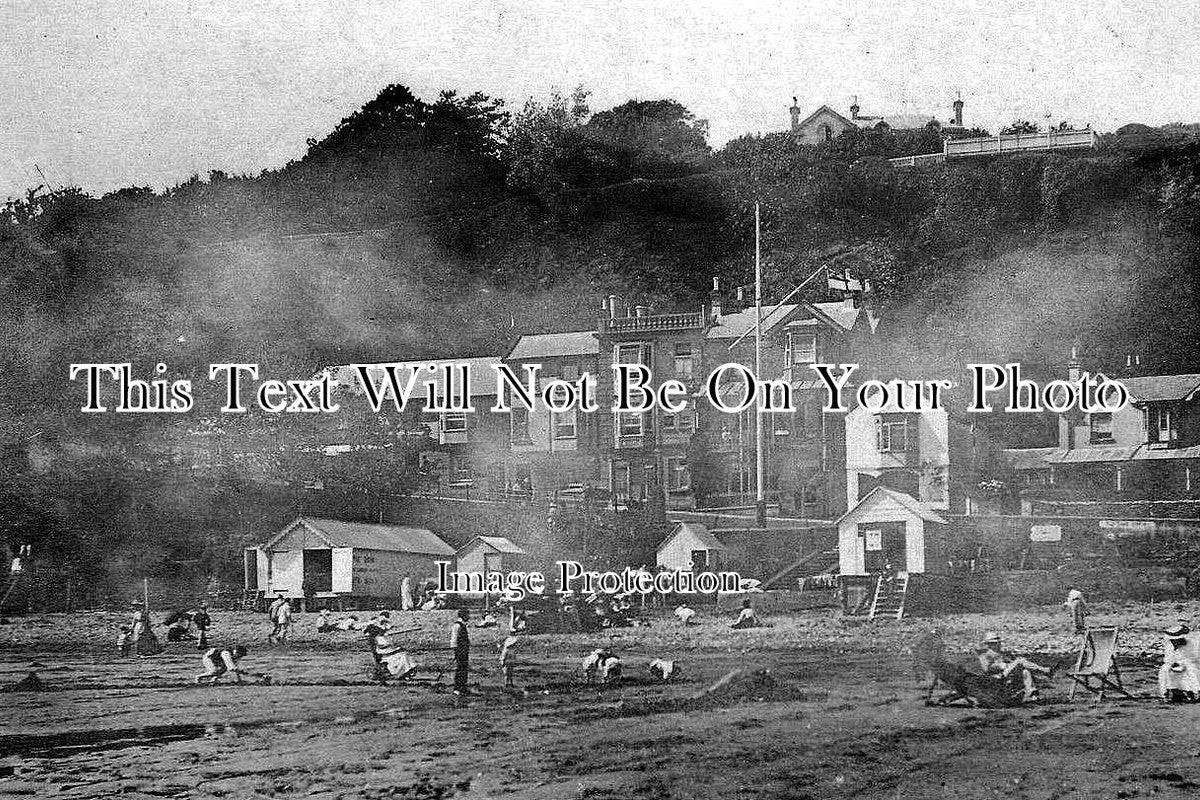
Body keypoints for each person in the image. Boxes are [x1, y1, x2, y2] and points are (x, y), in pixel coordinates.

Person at [976, 632, 1051, 702]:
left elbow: (1011, 663)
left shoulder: (1002, 654)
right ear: (989, 644)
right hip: (996, 677)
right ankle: (1044, 670)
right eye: (995, 643)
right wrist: (999, 665)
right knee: (1019, 660)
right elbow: (986, 669)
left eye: (998, 643)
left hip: (1006, 673)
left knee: (1025, 671)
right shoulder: (985, 655)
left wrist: (1009, 664)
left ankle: (1032, 693)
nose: (998, 644)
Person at [1159, 623, 1200, 703]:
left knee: (1192, 669)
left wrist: (1185, 663)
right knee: (1164, 669)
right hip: (1179, 667)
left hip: (1195, 665)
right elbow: (1169, 659)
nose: (1175, 642)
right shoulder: (1169, 644)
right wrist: (1173, 664)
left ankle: (1197, 692)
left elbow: (1195, 658)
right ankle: (1168, 693)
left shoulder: (1195, 642)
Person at [451, 608, 471, 694]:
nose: (469, 617)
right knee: (460, 668)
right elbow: (454, 639)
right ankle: (457, 688)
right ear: (463, 615)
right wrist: (456, 651)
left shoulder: (463, 625)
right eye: (468, 615)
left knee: (464, 668)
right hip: (460, 650)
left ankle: (463, 687)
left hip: (464, 650)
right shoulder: (457, 626)